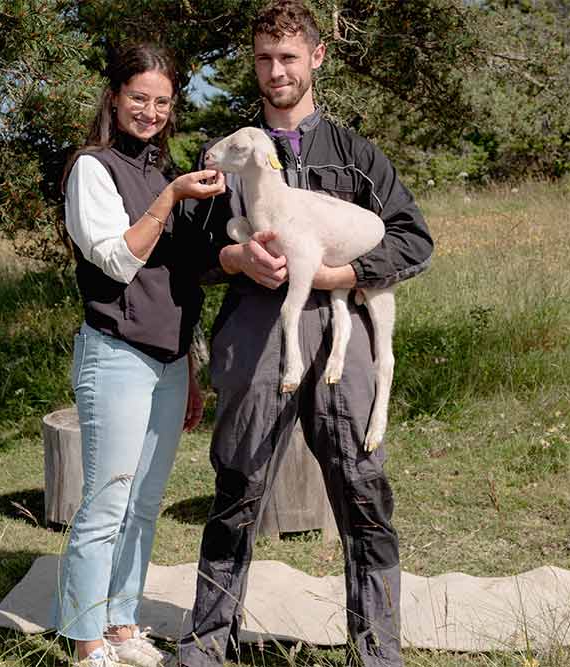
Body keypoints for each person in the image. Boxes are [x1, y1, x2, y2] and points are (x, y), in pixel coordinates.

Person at [177, 3, 434, 667]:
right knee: (236, 486)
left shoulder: (355, 155)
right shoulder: (229, 152)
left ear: (316, 57)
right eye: (264, 57)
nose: (275, 70)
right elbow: (189, 251)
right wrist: (234, 259)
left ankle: (376, 650)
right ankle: (207, 643)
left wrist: (341, 272)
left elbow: (413, 239)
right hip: (255, 339)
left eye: (288, 57)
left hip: (343, 345)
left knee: (363, 489)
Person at [53, 43, 226, 667]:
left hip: (169, 361)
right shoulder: (91, 169)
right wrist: (172, 198)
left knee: (144, 504)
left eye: (162, 101)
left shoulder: (162, 168)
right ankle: (84, 640)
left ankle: (123, 626)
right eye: (139, 98)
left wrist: (190, 367)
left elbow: (178, 281)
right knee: (105, 503)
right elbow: (121, 259)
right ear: (114, 97)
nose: (150, 111)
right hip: (117, 355)